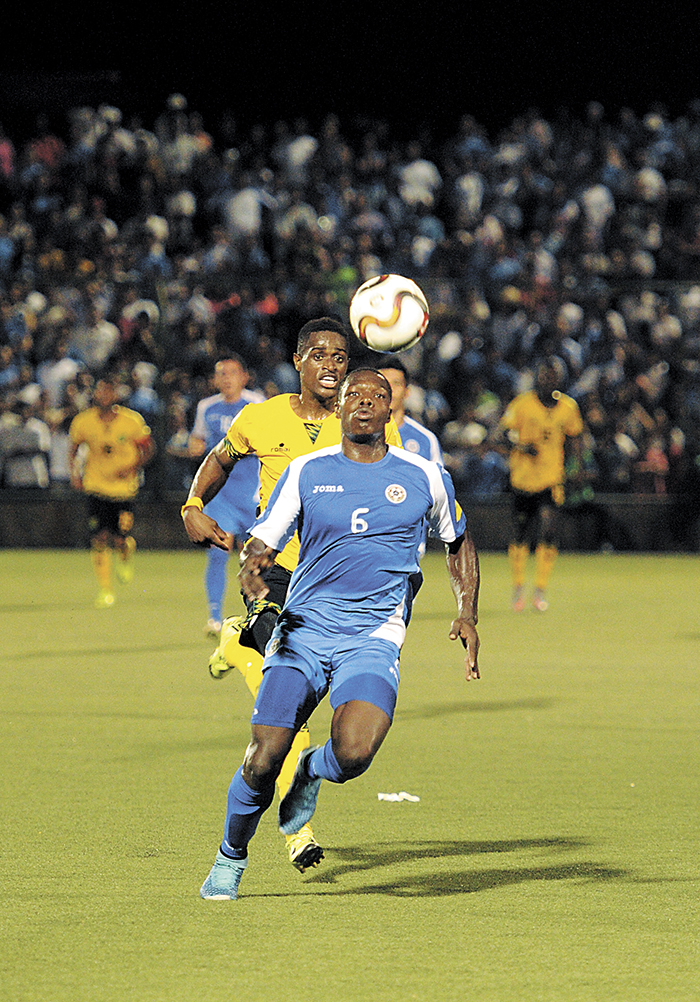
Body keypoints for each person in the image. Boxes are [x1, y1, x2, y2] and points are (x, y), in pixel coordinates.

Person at [198, 367, 480, 900]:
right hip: (304, 630)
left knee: (354, 753)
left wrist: (468, 612)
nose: (365, 402)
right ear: (341, 406)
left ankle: (311, 769)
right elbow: (263, 539)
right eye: (355, 394)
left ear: (391, 408)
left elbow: (459, 540)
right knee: (263, 759)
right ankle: (230, 858)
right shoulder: (307, 471)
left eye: (378, 395)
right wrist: (253, 568)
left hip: (373, 636)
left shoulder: (425, 475)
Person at [181, 318, 402, 875]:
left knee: (302, 709)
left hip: (339, 587)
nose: (331, 365)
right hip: (276, 573)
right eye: (319, 355)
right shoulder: (261, 417)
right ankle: (298, 832)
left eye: (340, 357)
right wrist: (193, 505)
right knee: (288, 714)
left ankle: (235, 643)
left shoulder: (369, 423)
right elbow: (220, 458)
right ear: (298, 361)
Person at [499, 357, 583, 612]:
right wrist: (522, 446)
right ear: (537, 378)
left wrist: (575, 468)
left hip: (550, 478)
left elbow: (575, 437)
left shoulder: (568, 407)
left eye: (553, 376)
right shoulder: (522, 404)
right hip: (523, 478)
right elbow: (505, 432)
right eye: (545, 375)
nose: (548, 380)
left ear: (560, 379)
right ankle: (518, 586)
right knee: (521, 533)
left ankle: (540, 589)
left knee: (548, 529)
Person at [188, 356, 264, 635]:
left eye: (232, 372)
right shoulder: (206, 407)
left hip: (253, 493)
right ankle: (214, 617)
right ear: (215, 379)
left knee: (257, 558)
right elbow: (197, 439)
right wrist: (194, 446)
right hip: (222, 494)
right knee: (218, 552)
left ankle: (259, 614)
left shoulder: (257, 404)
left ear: (244, 377)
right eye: (221, 373)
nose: (227, 378)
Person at [69, 378, 155, 608]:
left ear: (116, 394)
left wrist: (132, 467)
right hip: (96, 486)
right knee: (99, 537)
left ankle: (125, 554)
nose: (104, 395)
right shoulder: (83, 421)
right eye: (101, 391)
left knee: (120, 539)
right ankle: (105, 589)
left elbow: (148, 448)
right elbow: (74, 448)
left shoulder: (132, 421)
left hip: (124, 489)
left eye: (109, 390)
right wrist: (75, 473)